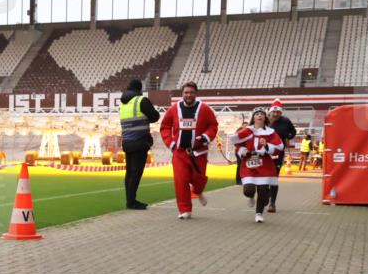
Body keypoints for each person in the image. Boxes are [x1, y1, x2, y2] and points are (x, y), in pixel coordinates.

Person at [160, 82, 219, 219]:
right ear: (182, 94)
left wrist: (206, 136)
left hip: (198, 152)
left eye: (191, 92)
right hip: (180, 153)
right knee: (181, 181)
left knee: (199, 179)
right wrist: (171, 143)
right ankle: (185, 210)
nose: (188, 95)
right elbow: (165, 126)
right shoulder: (174, 109)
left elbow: (213, 125)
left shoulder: (204, 109)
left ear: (195, 94)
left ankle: (198, 191)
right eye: (186, 92)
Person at [230, 107, 284, 223]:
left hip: (264, 163)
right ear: (253, 117)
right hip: (249, 162)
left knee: (263, 190)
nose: (259, 116)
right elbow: (237, 144)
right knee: (248, 190)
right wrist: (243, 151)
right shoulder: (247, 131)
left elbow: (279, 147)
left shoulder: (270, 132)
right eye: (257, 114)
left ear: (265, 117)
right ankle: (250, 196)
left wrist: (266, 145)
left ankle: (259, 213)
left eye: (262, 114)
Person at [119, 78, 160, 209]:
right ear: (139, 89)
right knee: (136, 173)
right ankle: (131, 202)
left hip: (127, 142)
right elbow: (154, 117)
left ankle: (129, 199)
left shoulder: (123, 104)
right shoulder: (141, 100)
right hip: (140, 141)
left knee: (130, 172)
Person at [266, 99, 296, 213]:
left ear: (281, 113)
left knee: (274, 178)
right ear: (270, 112)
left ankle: (272, 203)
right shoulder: (265, 120)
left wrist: (288, 136)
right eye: (274, 112)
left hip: (278, 153)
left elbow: (293, 132)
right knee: (264, 177)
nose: (275, 114)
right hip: (264, 153)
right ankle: (265, 195)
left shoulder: (286, 121)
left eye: (278, 112)